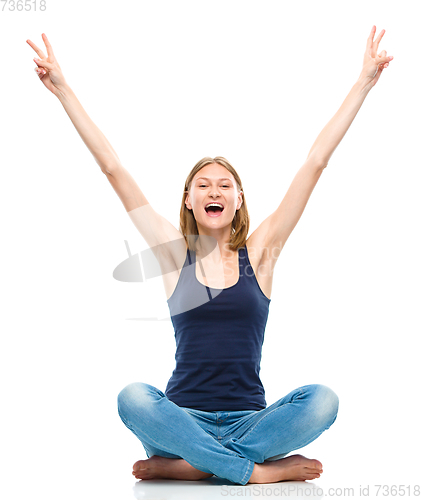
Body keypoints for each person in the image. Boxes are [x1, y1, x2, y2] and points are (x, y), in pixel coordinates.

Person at [27, 27, 393, 486]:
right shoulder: (173, 253)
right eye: (203, 184)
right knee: (133, 397)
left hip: (250, 423)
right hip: (180, 421)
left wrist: (363, 82)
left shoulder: (261, 254)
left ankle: (190, 468)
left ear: (238, 200)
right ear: (188, 201)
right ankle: (251, 472)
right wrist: (63, 89)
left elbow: (315, 163)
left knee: (323, 400)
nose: (213, 190)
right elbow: (113, 167)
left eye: (224, 185)